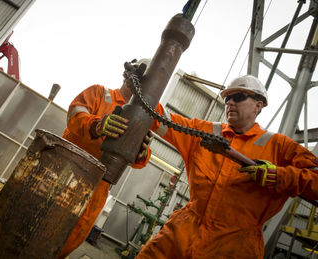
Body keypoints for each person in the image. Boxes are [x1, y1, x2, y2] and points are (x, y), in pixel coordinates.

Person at [136, 75, 318, 258]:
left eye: (238, 96)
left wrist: (277, 176)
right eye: (227, 98)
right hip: (181, 233)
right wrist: (144, 85)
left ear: (258, 105)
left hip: (234, 247)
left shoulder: (279, 147)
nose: (230, 102)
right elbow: (158, 118)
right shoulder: (205, 132)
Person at [58, 59, 152, 259]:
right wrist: (97, 125)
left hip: (97, 189)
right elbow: (75, 114)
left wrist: (142, 152)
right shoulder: (100, 93)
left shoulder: (141, 118)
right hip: (65, 172)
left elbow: (138, 160)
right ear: (127, 75)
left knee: (69, 239)